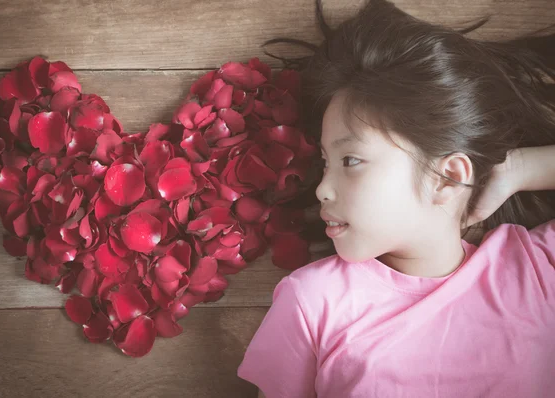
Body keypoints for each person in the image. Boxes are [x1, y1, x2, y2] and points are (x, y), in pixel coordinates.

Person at [237, 0, 555, 396]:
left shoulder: (535, 268)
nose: (322, 188)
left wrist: (518, 170)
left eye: (350, 160)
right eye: (325, 163)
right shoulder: (314, 302)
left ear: (449, 176)